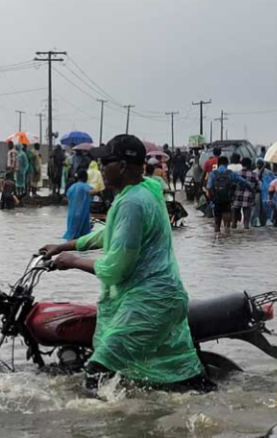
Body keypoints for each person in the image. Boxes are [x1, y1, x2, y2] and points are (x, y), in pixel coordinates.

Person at [40, 134, 205, 390]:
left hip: (147, 304)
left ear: (124, 166)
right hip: (161, 298)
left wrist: (72, 261)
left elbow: (114, 268)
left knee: (97, 371)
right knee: (172, 374)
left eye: (107, 162)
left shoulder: (132, 202)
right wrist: (65, 245)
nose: (101, 168)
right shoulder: (147, 189)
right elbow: (111, 232)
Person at [206, 156, 255, 235]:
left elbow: (208, 187)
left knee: (217, 225)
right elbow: (243, 182)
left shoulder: (213, 174)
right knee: (227, 226)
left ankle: (217, 238)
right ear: (226, 164)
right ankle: (227, 239)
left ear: (218, 164)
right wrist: (251, 190)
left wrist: (211, 200)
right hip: (227, 200)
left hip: (216, 201)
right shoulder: (230, 173)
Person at [63, 169, 93, 240]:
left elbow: (66, 198)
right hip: (82, 213)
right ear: (86, 177)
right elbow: (91, 192)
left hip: (72, 213)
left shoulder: (72, 187)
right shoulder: (85, 186)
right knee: (83, 235)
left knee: (72, 233)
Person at [232, 158, 259, 229]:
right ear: (250, 165)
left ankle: (233, 235)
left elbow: (232, 186)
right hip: (248, 198)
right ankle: (246, 235)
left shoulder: (236, 173)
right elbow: (257, 187)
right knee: (246, 223)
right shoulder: (254, 175)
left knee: (233, 222)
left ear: (242, 164)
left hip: (236, 198)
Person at [255, 160, 276, 227]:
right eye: (258, 163)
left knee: (266, 206)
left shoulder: (269, 173)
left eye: (261, 164)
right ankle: (259, 222)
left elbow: (273, 180)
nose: (259, 165)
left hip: (266, 193)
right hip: (258, 192)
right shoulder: (254, 172)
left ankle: (268, 220)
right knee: (258, 208)